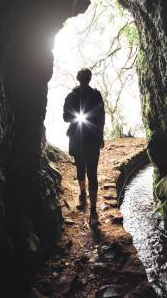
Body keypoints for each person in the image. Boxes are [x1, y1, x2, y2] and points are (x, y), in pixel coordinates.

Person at [63, 68, 105, 226]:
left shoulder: (90, 95)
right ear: (88, 78)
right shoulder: (78, 96)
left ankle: (90, 206)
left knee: (86, 170)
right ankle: (88, 203)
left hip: (83, 138)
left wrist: (100, 135)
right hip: (84, 137)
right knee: (86, 170)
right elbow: (101, 118)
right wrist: (100, 135)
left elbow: (66, 117)